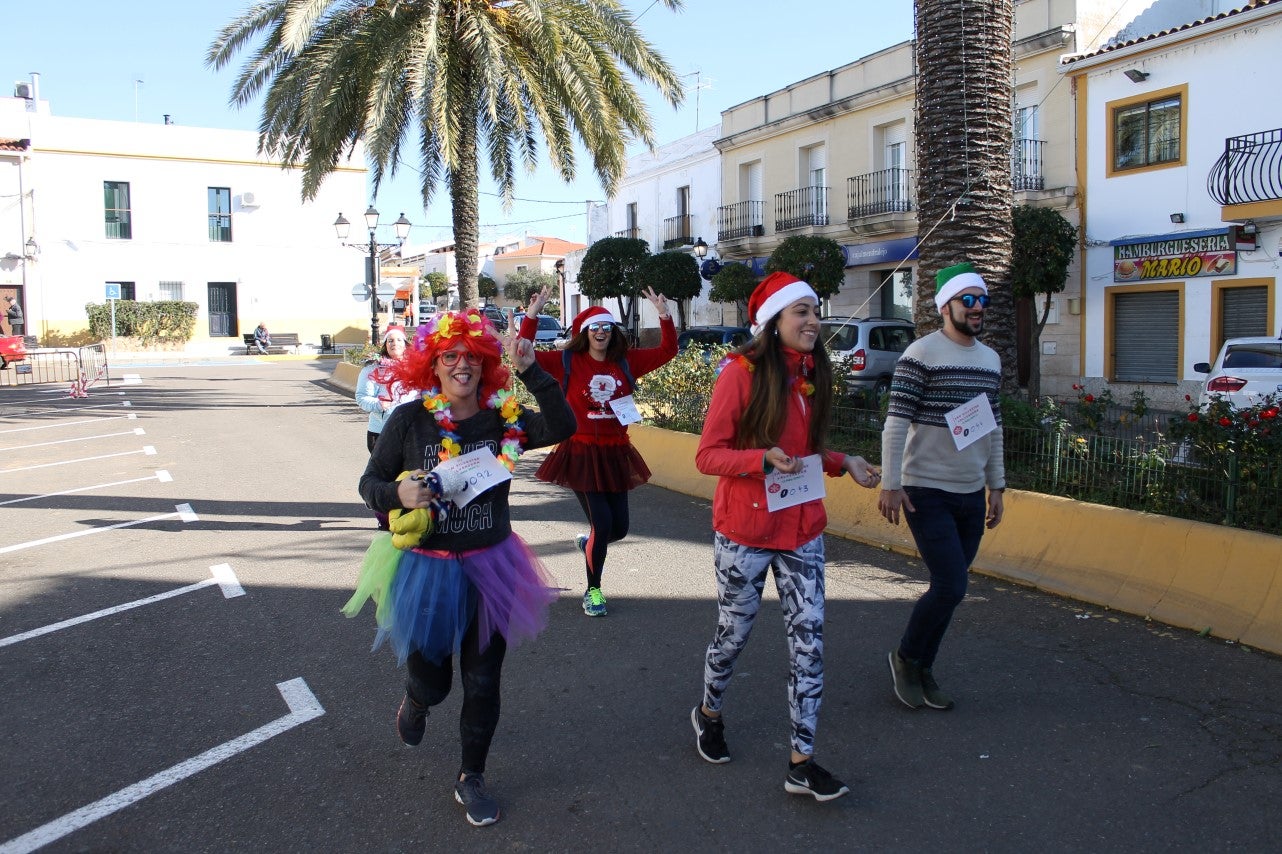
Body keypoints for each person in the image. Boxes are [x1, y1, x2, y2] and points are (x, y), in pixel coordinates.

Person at [346, 309, 576, 828]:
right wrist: (396, 493)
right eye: (449, 356)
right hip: (427, 571)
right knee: (435, 682)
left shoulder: (505, 416)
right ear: (434, 364)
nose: (461, 365)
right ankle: (416, 700)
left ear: (485, 364)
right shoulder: (410, 419)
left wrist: (534, 370)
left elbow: (564, 425)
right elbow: (370, 483)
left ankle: (471, 775)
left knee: (483, 680)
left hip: (490, 567)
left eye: (471, 356)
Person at [688, 271, 881, 802]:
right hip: (744, 530)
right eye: (802, 312)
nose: (814, 321)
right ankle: (708, 712)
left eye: (816, 311)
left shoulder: (813, 372)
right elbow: (707, 455)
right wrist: (760, 460)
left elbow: (808, 451)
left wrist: (847, 462)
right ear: (773, 322)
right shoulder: (739, 373)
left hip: (802, 530)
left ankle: (802, 761)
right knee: (734, 635)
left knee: (809, 643)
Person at [878, 262, 1006, 712]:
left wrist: (997, 486)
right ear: (945, 306)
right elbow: (896, 424)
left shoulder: (990, 360)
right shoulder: (920, 354)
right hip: (925, 489)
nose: (977, 308)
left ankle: (923, 667)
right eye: (967, 300)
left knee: (951, 586)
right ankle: (907, 657)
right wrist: (891, 483)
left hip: (971, 493)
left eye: (982, 300)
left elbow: (993, 428)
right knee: (951, 584)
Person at [518, 285, 677, 617]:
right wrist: (531, 316)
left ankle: (588, 543)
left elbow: (667, 351)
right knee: (602, 524)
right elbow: (523, 352)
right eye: (595, 327)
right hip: (581, 451)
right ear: (584, 333)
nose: (601, 332)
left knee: (617, 529)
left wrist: (663, 315)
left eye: (606, 327)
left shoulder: (625, 361)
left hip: (616, 452)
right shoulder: (567, 361)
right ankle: (593, 590)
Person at [356, 325, 417, 454]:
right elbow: (361, 397)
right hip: (381, 432)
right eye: (390, 340)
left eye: (399, 340)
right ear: (385, 345)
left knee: (409, 472)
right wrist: (379, 405)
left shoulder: (416, 368)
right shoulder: (372, 368)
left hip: (410, 431)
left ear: (406, 344)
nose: (395, 343)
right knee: (384, 473)